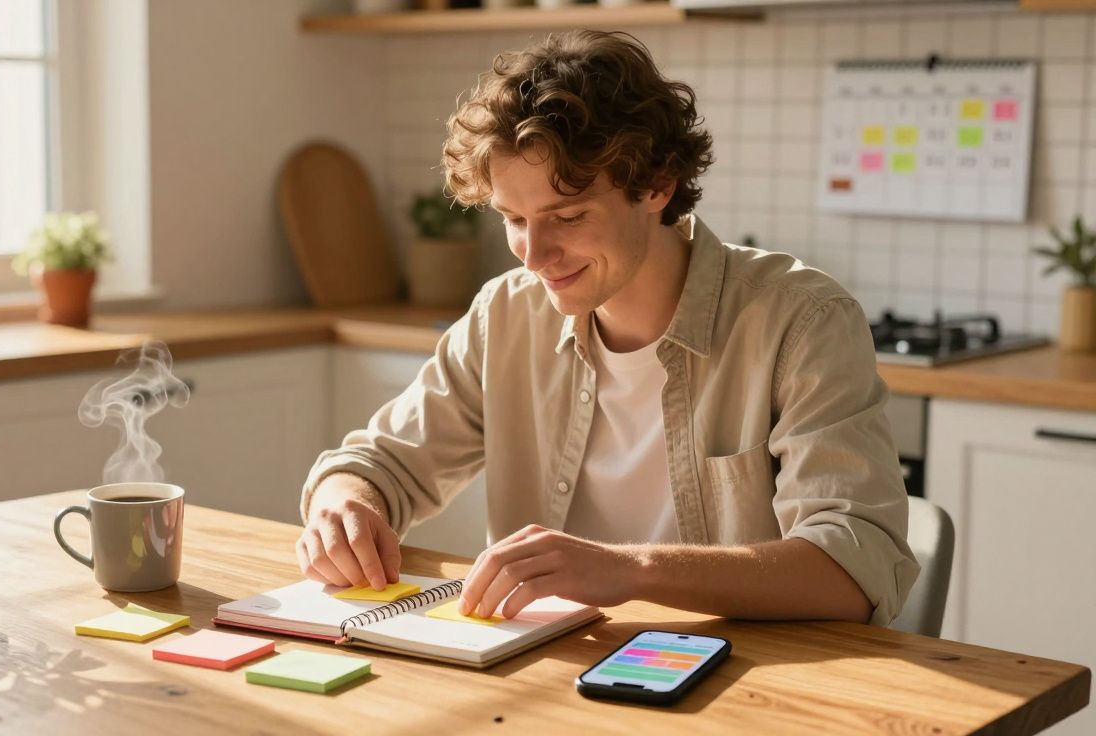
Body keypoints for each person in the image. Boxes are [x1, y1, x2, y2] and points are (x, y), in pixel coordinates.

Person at [296, 30, 919, 627]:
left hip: (736, 684)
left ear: (656, 184)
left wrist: (631, 570)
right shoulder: (506, 314)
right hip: (549, 677)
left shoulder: (800, 322)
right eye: (513, 218)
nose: (533, 255)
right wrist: (345, 504)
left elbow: (852, 568)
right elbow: (378, 465)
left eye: (565, 217)